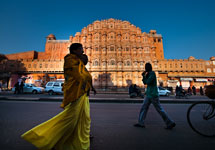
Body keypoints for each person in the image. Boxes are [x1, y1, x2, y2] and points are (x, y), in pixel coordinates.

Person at [21, 43, 95, 150]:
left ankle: (82, 135)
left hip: (82, 92)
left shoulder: (77, 61)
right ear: (74, 50)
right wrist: (86, 81)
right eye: (81, 49)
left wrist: (90, 86)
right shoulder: (70, 59)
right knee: (71, 118)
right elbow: (78, 75)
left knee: (84, 116)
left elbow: (84, 73)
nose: (83, 51)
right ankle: (45, 136)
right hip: (75, 92)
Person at [134, 63, 176, 129]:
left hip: (153, 95)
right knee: (143, 108)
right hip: (148, 94)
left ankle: (170, 122)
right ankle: (141, 122)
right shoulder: (148, 74)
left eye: (146, 67)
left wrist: (144, 76)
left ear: (149, 68)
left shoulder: (152, 74)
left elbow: (148, 82)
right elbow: (145, 82)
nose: (145, 68)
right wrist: (143, 76)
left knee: (159, 109)